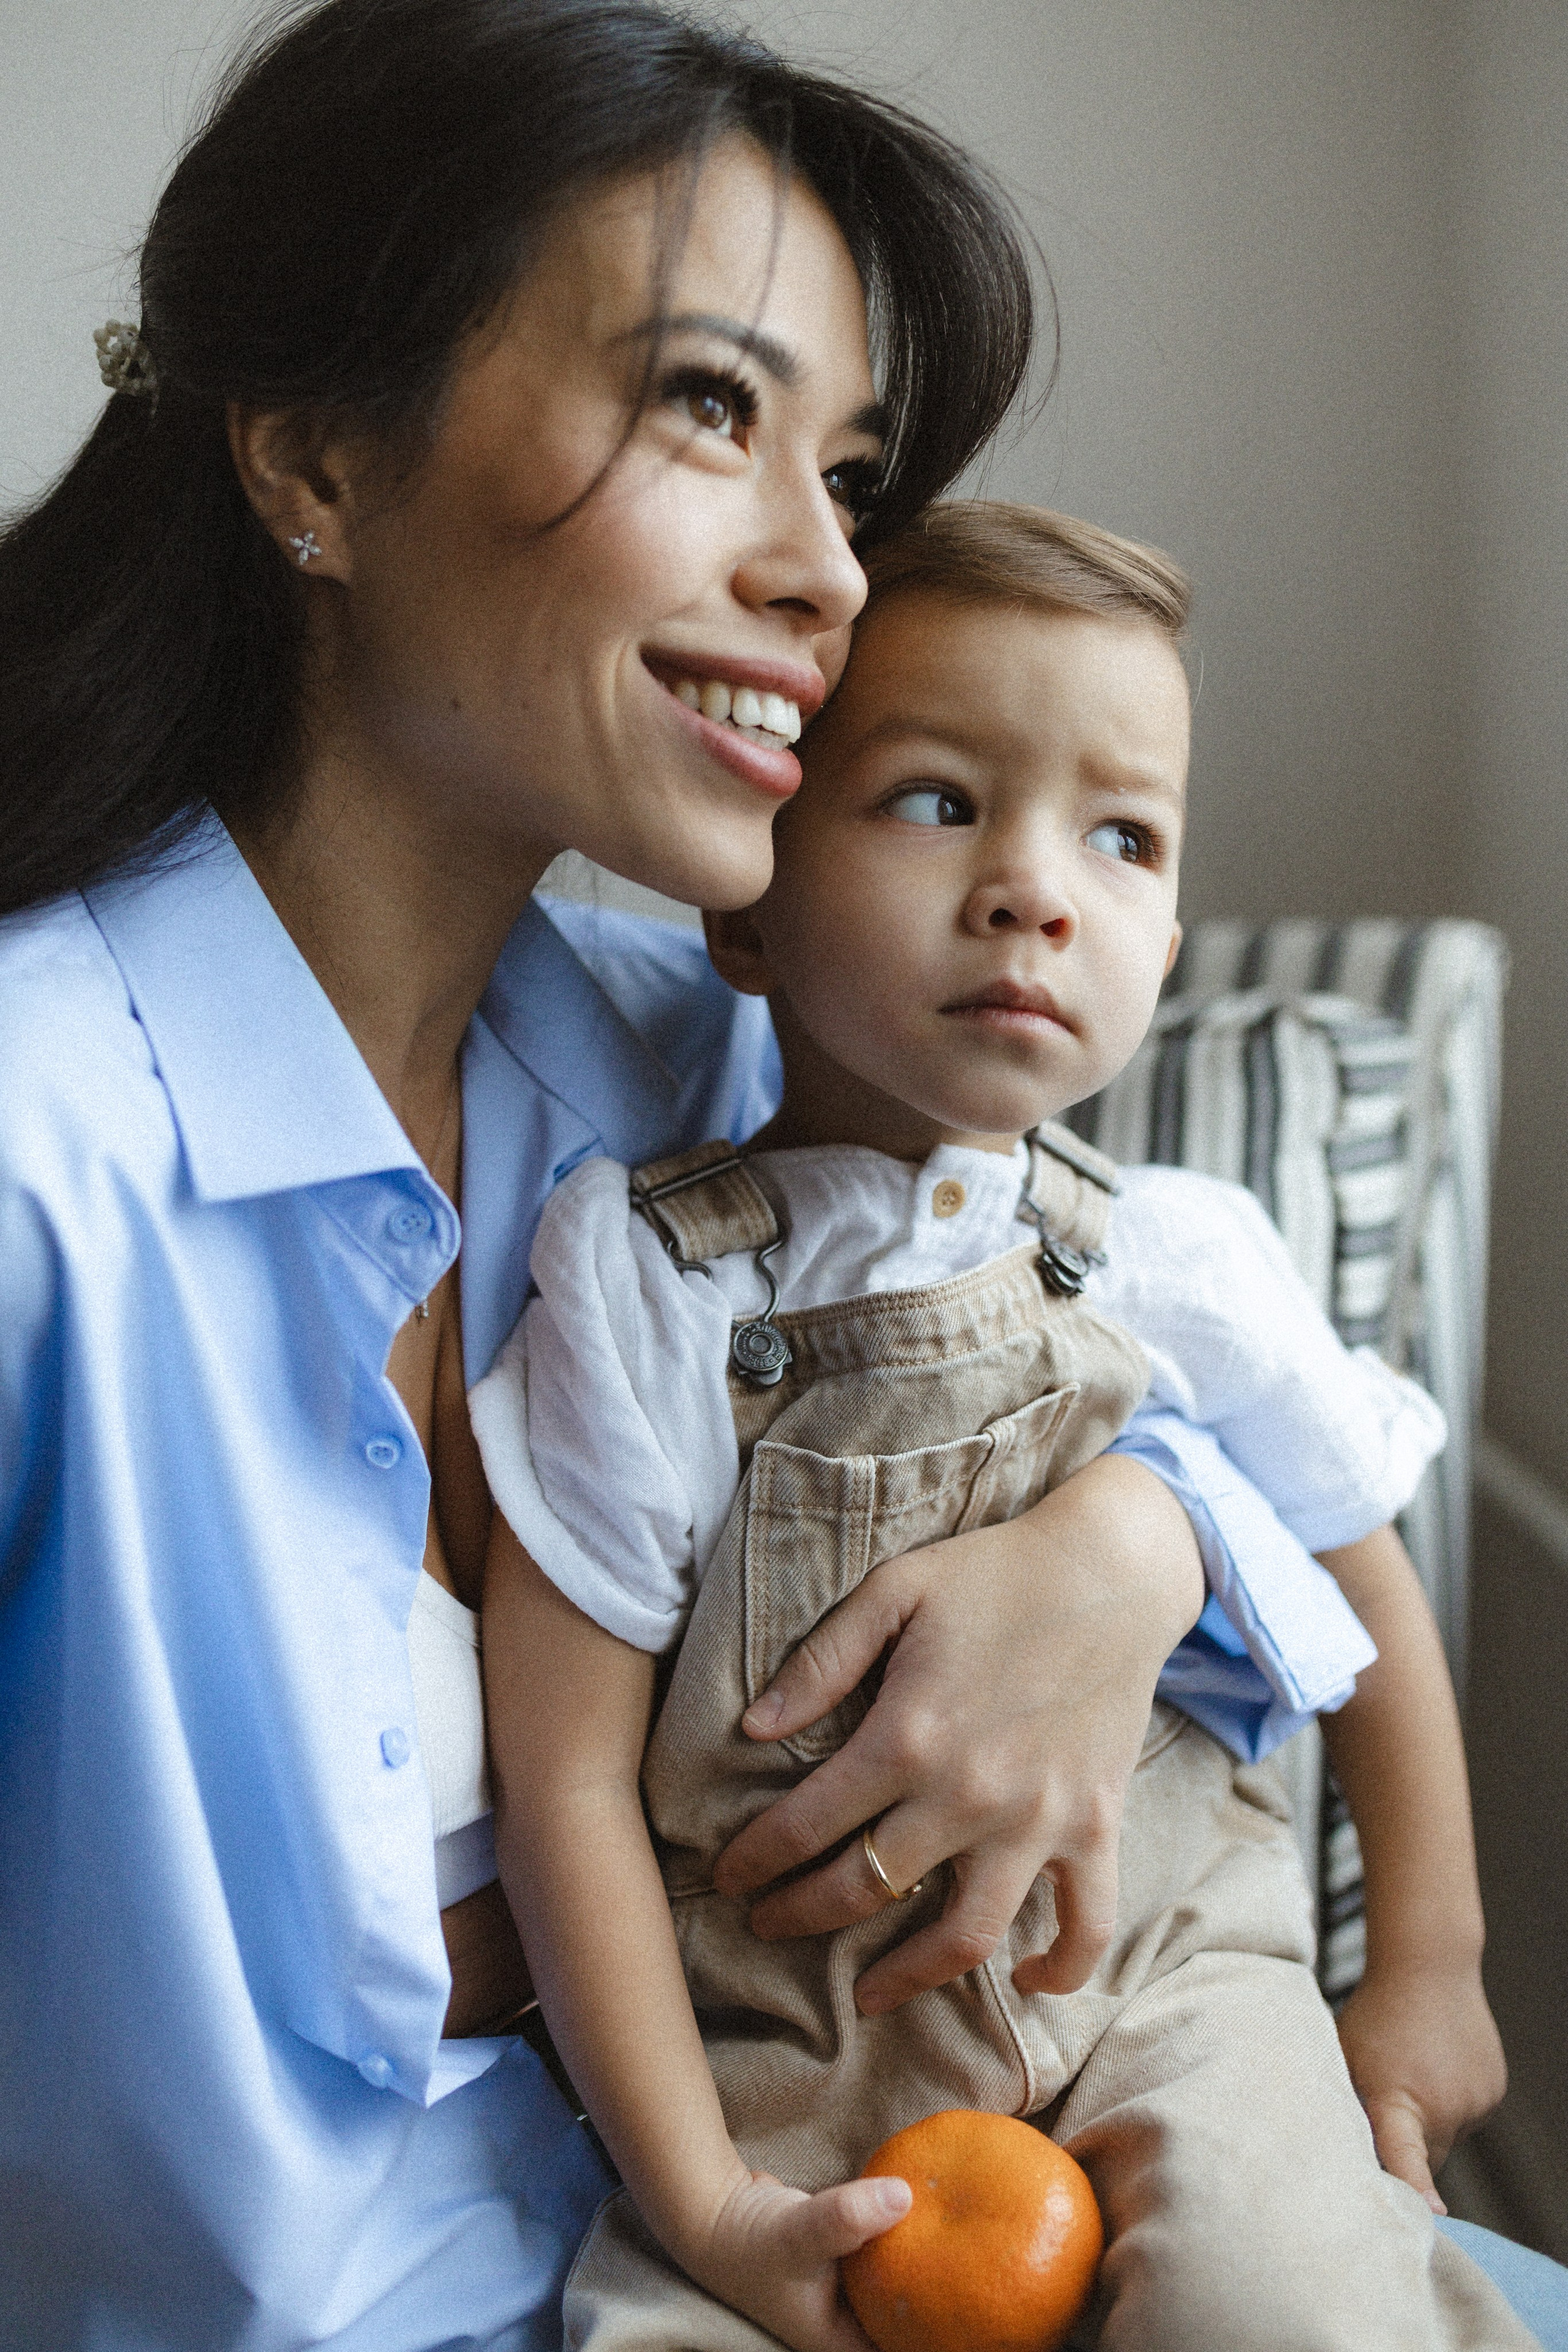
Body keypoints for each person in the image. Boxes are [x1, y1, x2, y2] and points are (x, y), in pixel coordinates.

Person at [0, 6, 1334, 2346]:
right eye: (713, 406)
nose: (831, 570)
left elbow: (1153, 1351)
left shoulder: (702, 1049)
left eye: (852, 465)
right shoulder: (38, 1170)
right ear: (314, 449)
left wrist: (1121, 1550)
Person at [475, 504, 1534, 2351]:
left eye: (1121, 838)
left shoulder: (1181, 1260)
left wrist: (1428, 1969)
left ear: (1172, 928)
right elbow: (564, 1777)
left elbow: (1366, 1593)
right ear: (750, 892)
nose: (1037, 888)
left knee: (1289, 2317)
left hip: (1174, 1989)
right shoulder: (649, 1277)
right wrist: (705, 2203)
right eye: (941, 800)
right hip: (783, 2059)